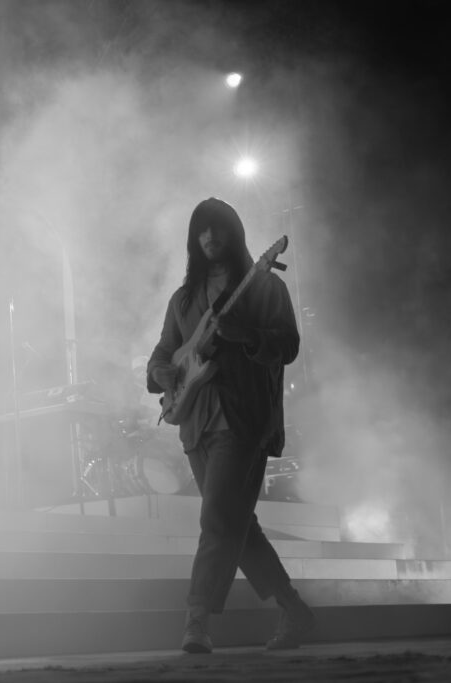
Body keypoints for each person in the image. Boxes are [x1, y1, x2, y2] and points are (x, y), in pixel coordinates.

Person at [147, 197, 314, 653]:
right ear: (193, 239)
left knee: (216, 519)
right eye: (201, 230)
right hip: (195, 424)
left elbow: (289, 345)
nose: (209, 237)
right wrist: (161, 373)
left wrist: (248, 338)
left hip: (244, 422)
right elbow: (162, 355)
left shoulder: (263, 287)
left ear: (235, 234)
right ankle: (295, 611)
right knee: (237, 525)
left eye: (217, 228)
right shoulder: (182, 300)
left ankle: (196, 620)